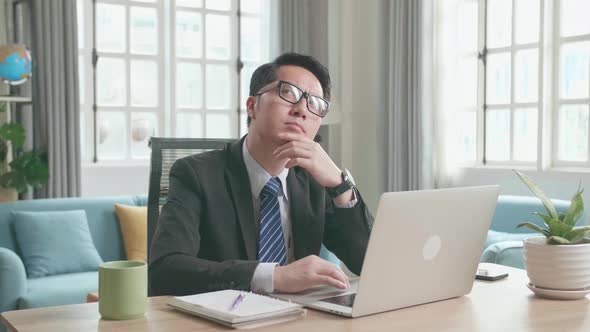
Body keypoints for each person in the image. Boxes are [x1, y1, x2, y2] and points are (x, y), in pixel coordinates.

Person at [149, 53, 373, 296]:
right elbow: (166, 270)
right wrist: (274, 276)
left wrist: (340, 185)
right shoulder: (195, 174)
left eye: (315, 104)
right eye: (288, 93)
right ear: (252, 106)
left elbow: (368, 263)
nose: (302, 110)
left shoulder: (314, 181)